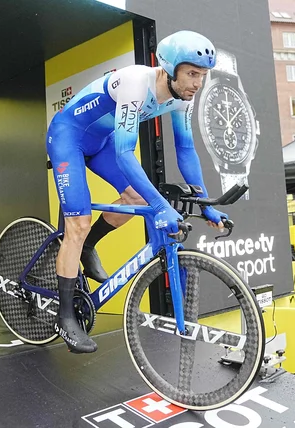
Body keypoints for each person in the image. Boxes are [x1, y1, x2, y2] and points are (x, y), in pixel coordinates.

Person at [46, 31, 227, 353]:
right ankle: (65, 316)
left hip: (100, 142)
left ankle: (88, 246)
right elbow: (125, 154)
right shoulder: (135, 83)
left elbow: (185, 149)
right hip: (68, 137)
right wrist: (161, 206)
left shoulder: (182, 96)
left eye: (202, 75)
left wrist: (205, 203)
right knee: (77, 223)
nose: (197, 83)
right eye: (192, 74)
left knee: (138, 197)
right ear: (170, 68)